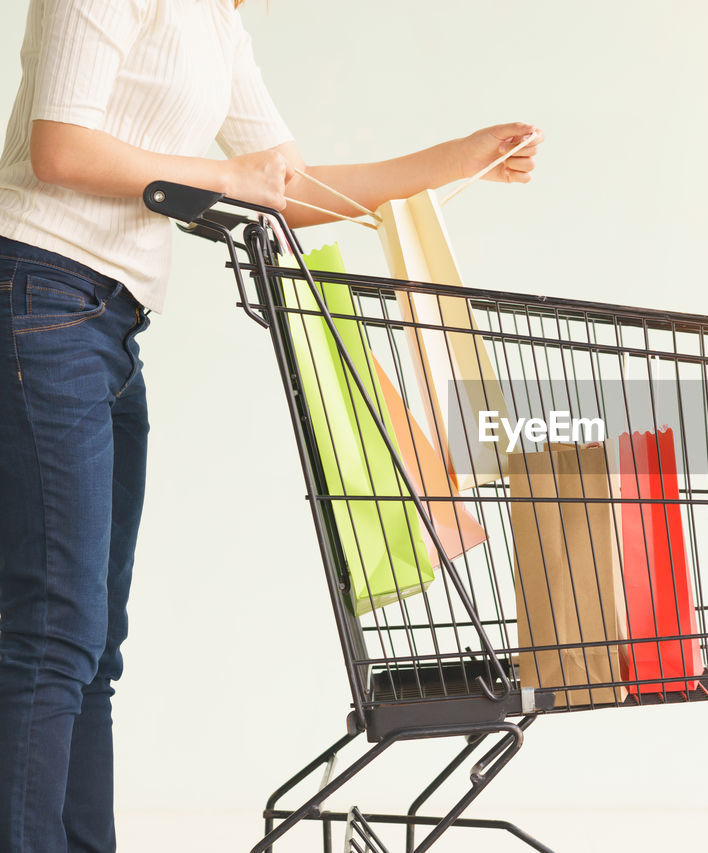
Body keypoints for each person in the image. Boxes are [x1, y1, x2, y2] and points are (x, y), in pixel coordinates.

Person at [0, 1, 541, 850]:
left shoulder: (217, 23)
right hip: (40, 291)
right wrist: (227, 180)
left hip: (107, 318)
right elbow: (58, 150)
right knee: (54, 628)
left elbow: (292, 189)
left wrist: (454, 160)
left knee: (94, 643)